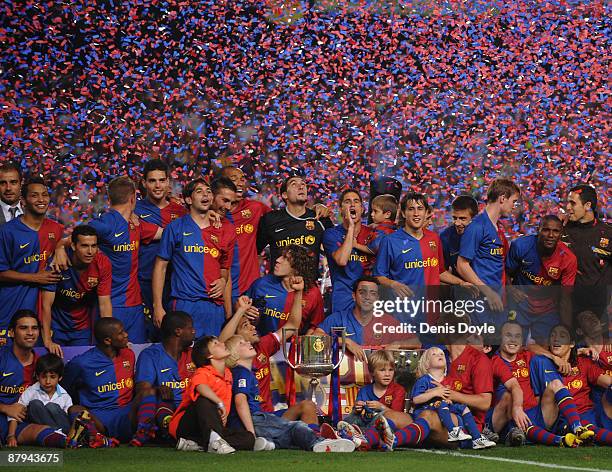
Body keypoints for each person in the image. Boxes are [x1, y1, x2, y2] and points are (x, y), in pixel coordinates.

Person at [224, 334, 355, 452]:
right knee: (294, 427)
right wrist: (250, 434)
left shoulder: (247, 372)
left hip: (259, 417)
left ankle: (270, 443)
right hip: (254, 420)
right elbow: (240, 401)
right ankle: (319, 442)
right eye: (241, 343)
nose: (248, 343)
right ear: (233, 354)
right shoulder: (241, 373)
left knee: (298, 419)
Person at [220, 278, 319, 426]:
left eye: (252, 324)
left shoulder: (263, 346)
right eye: (245, 326)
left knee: (308, 406)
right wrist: (240, 311)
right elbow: (223, 343)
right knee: (294, 431)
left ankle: (318, 441)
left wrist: (298, 293)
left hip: (269, 416)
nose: (253, 328)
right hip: (249, 419)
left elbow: (292, 326)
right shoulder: (228, 357)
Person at [79, 176, 162, 343]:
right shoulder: (106, 224)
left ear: (109, 199)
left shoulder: (137, 225)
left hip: (134, 304)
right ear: (133, 199)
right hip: (108, 305)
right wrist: (60, 246)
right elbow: (78, 237)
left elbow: (166, 233)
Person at [373, 192, 470, 333]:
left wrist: (461, 283)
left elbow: (439, 271)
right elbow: (378, 276)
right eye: (411, 209)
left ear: (426, 213)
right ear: (404, 213)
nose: (416, 213)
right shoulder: (390, 241)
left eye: (420, 209)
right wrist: (393, 284)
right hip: (403, 314)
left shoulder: (434, 239)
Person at [153, 178, 236, 337]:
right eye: (199, 191)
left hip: (214, 307)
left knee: (213, 357)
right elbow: (160, 266)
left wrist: (223, 280)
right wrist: (157, 305)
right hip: (185, 303)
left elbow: (224, 268)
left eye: (208, 191)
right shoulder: (175, 228)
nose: (205, 195)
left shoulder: (227, 230)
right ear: (188, 199)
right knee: (184, 356)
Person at [490, 322, 585, 447]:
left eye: (517, 336)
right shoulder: (494, 362)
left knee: (555, 384)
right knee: (510, 399)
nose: (513, 339)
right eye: (508, 335)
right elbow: (514, 387)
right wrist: (517, 408)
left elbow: (533, 346)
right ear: (499, 338)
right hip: (512, 416)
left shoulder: (525, 356)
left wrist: (554, 357)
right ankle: (561, 440)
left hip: (536, 413)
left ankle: (578, 428)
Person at [62, 317, 156, 444]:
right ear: (107, 340)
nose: (126, 335)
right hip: (99, 420)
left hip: (127, 416)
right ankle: (99, 439)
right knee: (74, 409)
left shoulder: (129, 355)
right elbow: (64, 388)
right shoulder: (81, 363)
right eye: (121, 333)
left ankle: (142, 436)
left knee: (149, 392)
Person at [169, 336, 261, 454]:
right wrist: (219, 402)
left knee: (248, 438)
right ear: (209, 356)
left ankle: (199, 444)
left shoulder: (228, 374)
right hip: (187, 426)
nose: (222, 344)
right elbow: (200, 386)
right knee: (204, 399)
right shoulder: (202, 371)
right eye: (216, 344)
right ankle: (209, 441)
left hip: (214, 426)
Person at [0, 177, 64, 345]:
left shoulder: (56, 229)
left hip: (42, 311)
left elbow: (70, 240)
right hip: (10, 305)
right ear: (23, 201)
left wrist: (60, 246)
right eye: (34, 195)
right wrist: (35, 278)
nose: (41, 199)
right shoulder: (7, 232)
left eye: (44, 195)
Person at [0, 310, 68, 448]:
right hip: (2, 414)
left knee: (43, 431)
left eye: (34, 328)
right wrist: (6, 408)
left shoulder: (42, 364)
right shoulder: (2, 358)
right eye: (23, 328)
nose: (30, 333)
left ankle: (73, 440)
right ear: (12, 333)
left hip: (27, 419)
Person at [40, 225, 113, 355]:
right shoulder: (58, 263)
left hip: (82, 328)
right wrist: (47, 340)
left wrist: (110, 337)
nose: (90, 251)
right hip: (56, 326)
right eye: (84, 246)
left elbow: (105, 304)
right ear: (73, 246)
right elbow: (46, 305)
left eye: (94, 246)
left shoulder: (102, 264)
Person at [457, 178, 520, 325]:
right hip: (480, 302)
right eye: (514, 201)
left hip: (496, 301)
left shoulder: (498, 229)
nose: (514, 206)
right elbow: (462, 265)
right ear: (502, 198)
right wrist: (488, 292)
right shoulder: (477, 227)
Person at [313, 277, 419, 362]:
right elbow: (315, 336)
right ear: (354, 296)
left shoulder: (387, 321)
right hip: (345, 382)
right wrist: (345, 342)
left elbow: (416, 342)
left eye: (372, 293)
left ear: (377, 298)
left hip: (377, 381)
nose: (367, 297)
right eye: (362, 292)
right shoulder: (339, 318)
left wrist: (397, 344)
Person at [506, 215, 577, 341]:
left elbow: (565, 297)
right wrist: (511, 290)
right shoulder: (520, 246)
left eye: (556, 231)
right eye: (546, 230)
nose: (551, 235)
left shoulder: (568, 258)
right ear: (538, 229)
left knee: (545, 349)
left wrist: (567, 329)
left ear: (561, 233)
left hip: (547, 309)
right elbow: (506, 272)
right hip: (520, 305)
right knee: (514, 346)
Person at [411, 347, 496, 449]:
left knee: (463, 407)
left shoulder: (450, 380)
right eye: (434, 355)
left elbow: (453, 396)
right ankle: (452, 431)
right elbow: (415, 399)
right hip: (429, 408)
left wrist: (450, 397)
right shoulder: (424, 380)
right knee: (440, 406)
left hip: (447, 409)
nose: (439, 355)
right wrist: (434, 393)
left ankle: (477, 437)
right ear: (426, 364)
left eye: (441, 354)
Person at [133, 311, 196, 444]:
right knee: (160, 401)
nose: (194, 331)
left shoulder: (194, 354)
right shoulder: (151, 355)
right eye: (190, 328)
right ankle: (152, 432)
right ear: (178, 331)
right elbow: (142, 389)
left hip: (190, 408)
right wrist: (158, 388)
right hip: (166, 407)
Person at [544, 324, 612, 445]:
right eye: (553, 335)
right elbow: (530, 347)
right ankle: (582, 432)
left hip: (589, 415)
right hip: (564, 420)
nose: (556, 339)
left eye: (562, 336)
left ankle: (587, 435)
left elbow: (607, 381)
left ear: (571, 343)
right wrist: (553, 357)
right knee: (586, 428)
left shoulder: (583, 362)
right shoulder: (542, 362)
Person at [135, 159, 187, 314]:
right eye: (152, 181)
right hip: (143, 281)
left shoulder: (181, 212)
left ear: (168, 182)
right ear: (144, 183)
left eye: (162, 180)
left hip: (175, 283)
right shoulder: (133, 210)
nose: (158, 186)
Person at [257, 174, 333, 271]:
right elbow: (253, 250)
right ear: (285, 195)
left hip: (308, 284)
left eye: (303, 184)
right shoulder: (270, 219)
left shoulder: (320, 217)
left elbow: (335, 250)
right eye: (294, 184)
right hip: (278, 284)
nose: (301, 186)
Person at [246, 245, 323, 337]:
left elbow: (316, 325)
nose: (278, 260)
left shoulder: (313, 293)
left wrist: (302, 346)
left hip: (294, 348)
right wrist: (246, 312)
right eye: (280, 256)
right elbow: (244, 313)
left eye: (285, 258)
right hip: (263, 346)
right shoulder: (261, 284)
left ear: (297, 266)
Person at [220, 166, 272, 300]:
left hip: (249, 288)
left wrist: (314, 209)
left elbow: (282, 218)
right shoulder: (210, 214)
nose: (240, 183)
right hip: (219, 288)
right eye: (233, 179)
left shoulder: (254, 208)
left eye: (242, 179)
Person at [561, 184, 611, 321]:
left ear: (587, 205)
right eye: (567, 203)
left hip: (598, 310)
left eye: (572, 203)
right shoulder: (560, 230)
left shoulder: (607, 233)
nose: (568, 207)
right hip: (565, 306)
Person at [323, 189, 377, 312]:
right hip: (342, 303)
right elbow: (341, 260)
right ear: (341, 209)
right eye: (347, 201)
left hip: (370, 302)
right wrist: (351, 227)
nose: (352, 205)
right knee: (339, 331)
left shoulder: (373, 234)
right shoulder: (331, 234)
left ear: (362, 209)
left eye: (356, 201)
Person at [7, 354, 73, 438]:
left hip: (64, 429)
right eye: (44, 377)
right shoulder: (31, 391)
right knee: (35, 404)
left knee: (52, 407)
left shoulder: (65, 396)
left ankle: (58, 435)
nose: (48, 381)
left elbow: (67, 421)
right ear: (37, 376)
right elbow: (16, 413)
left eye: (52, 377)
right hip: (40, 430)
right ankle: (54, 434)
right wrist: (11, 435)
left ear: (59, 378)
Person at [341, 350, 408, 431]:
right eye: (382, 370)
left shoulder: (398, 390)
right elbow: (356, 415)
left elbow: (397, 417)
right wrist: (357, 409)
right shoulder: (364, 390)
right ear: (372, 372)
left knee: (381, 418)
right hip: (365, 423)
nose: (387, 374)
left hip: (385, 427)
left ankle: (360, 433)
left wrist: (382, 407)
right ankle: (344, 431)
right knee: (350, 419)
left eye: (391, 370)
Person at [575, 310, 612, 429]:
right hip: (598, 401)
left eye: (593, 316)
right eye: (586, 318)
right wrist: (581, 351)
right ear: (579, 330)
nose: (592, 319)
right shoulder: (579, 350)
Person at [439, 195, 478, 276]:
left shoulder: (486, 235)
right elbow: (442, 272)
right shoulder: (445, 237)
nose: (457, 223)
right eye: (454, 218)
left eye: (462, 218)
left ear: (474, 218)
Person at [0, 161, 23, 225]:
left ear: (21, 184)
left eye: (13, 182)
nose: (8, 188)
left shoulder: (32, 212)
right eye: (3, 183)